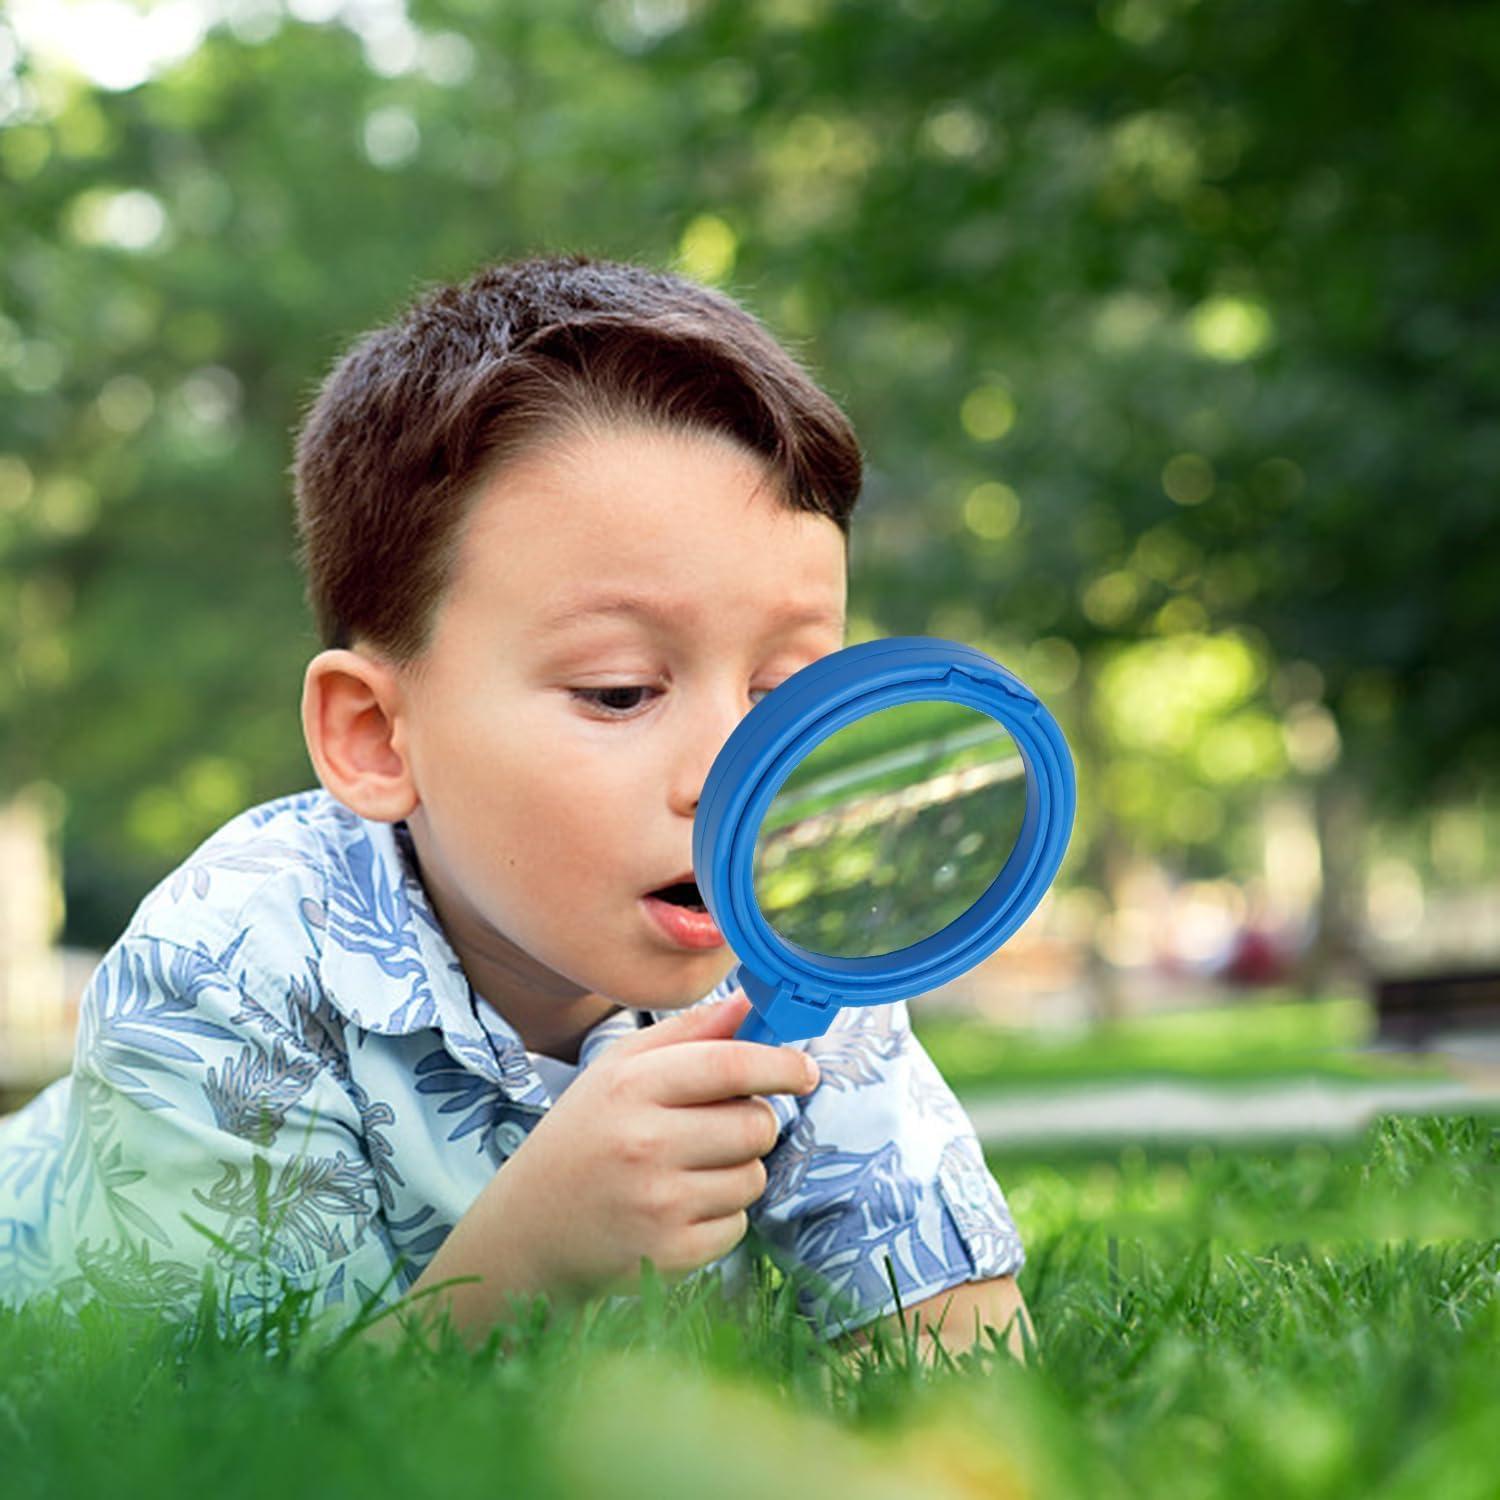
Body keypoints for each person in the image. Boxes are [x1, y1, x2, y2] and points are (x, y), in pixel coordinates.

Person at [0, 255, 1033, 1363]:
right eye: (621, 691)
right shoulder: (224, 971)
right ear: (376, 736)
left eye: (783, 694)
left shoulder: (804, 954)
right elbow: (205, 1453)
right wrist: (530, 1262)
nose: (734, 778)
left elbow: (959, 1353)